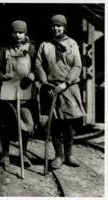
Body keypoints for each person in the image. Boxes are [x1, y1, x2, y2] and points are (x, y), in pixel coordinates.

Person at [35, 14, 85, 169]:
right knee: (54, 124)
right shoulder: (44, 45)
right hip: (51, 89)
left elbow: (77, 66)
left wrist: (66, 83)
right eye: (53, 26)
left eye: (59, 26)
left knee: (69, 123)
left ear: (64, 27)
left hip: (68, 89)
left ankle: (69, 154)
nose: (56, 28)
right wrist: (45, 84)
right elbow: (38, 65)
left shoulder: (72, 44)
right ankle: (58, 156)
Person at [0, 20, 36, 169]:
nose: (18, 35)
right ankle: (5, 155)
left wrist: (33, 74)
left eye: (21, 32)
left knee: (26, 124)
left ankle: (23, 154)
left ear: (25, 33)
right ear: (12, 33)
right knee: (6, 124)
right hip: (8, 91)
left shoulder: (31, 49)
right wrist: (1, 76)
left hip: (25, 91)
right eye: (15, 32)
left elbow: (38, 66)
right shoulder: (4, 49)